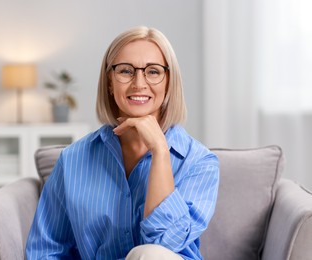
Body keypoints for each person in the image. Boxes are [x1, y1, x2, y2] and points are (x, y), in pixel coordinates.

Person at [26, 26, 219, 260]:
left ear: (168, 83)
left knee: (152, 255)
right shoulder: (73, 160)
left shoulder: (200, 162)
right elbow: (45, 250)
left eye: (154, 72)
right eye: (126, 71)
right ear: (110, 81)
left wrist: (160, 151)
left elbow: (166, 243)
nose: (139, 83)